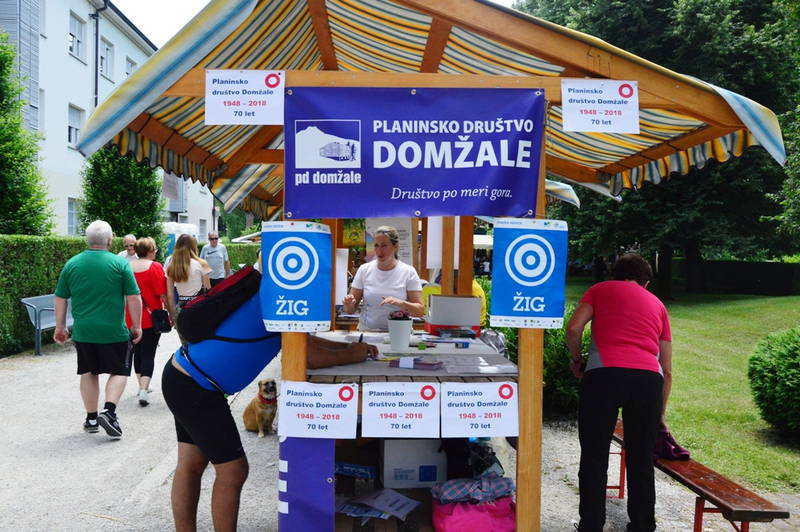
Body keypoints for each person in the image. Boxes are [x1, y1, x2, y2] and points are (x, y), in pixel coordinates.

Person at [566, 254, 673, 532]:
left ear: (614, 274)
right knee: (641, 457)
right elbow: (667, 369)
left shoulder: (599, 290)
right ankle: (642, 525)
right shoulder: (658, 305)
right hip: (648, 380)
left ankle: (591, 524)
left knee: (594, 455)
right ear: (646, 282)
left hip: (603, 375)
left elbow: (574, 328)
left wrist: (577, 360)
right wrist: (660, 415)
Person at [54, 220, 143, 438]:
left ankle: (92, 418)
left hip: (84, 331)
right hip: (114, 330)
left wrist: (60, 327)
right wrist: (137, 326)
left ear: (87, 240)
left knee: (88, 372)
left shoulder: (72, 264)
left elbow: (61, 297)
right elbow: (133, 297)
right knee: (119, 371)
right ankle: (109, 412)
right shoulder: (120, 264)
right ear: (110, 241)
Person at [342, 226, 423, 331]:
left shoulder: (408, 271)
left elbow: (419, 311)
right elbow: (350, 310)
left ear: (395, 246)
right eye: (376, 245)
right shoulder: (364, 270)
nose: (379, 250)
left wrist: (400, 303)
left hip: (399, 333)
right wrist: (348, 304)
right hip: (368, 332)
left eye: (384, 245)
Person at [126, 237, 175, 407]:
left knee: (137, 352)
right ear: (149, 251)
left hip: (130, 317)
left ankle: (141, 385)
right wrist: (171, 314)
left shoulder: (127, 267)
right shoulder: (155, 267)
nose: (155, 252)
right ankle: (144, 390)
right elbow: (163, 294)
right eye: (154, 249)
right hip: (150, 318)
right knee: (148, 353)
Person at [167, 234, 211, 342]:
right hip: (198, 307)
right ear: (193, 246)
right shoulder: (201, 264)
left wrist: (172, 315)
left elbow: (170, 295)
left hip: (181, 309)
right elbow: (208, 290)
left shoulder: (172, 266)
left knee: (185, 344)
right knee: (200, 342)